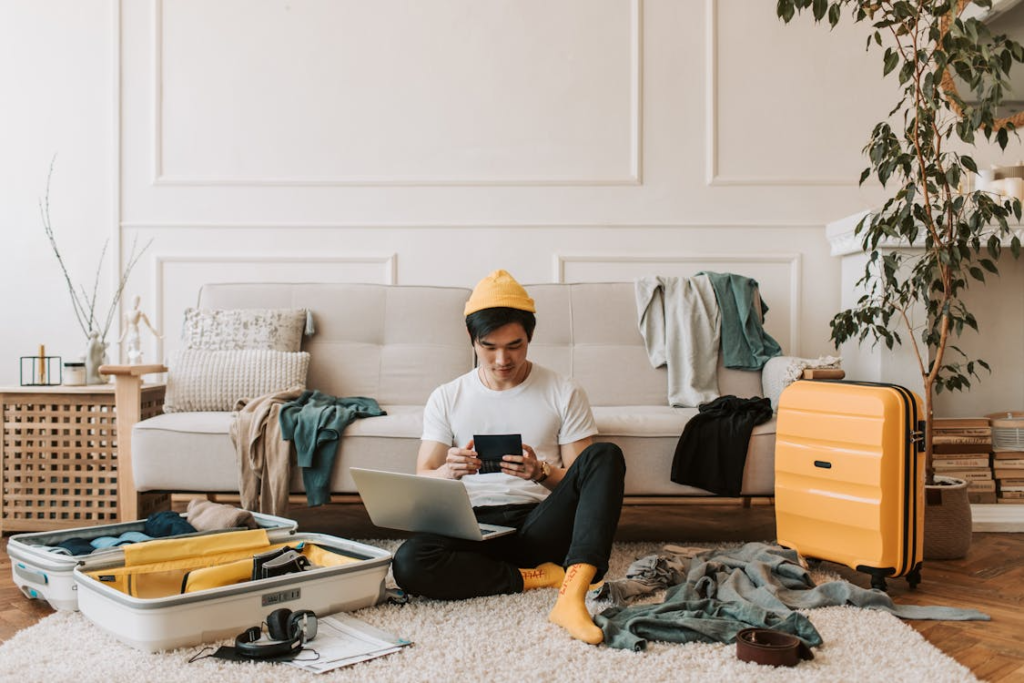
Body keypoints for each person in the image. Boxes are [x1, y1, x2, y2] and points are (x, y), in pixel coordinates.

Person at [391, 270, 626, 645]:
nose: (502, 359)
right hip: (472, 526)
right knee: (408, 563)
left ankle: (572, 594)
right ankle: (539, 576)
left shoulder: (563, 390)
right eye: (489, 347)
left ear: (530, 337)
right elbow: (422, 477)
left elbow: (583, 483)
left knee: (605, 455)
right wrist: (449, 471)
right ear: (472, 340)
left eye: (515, 345)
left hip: (539, 524)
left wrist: (541, 471)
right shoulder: (447, 396)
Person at [119, 295, 162, 364]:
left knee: (136, 354)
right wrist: (121, 339)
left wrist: (158, 336)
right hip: (130, 335)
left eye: (138, 301)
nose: (136, 303)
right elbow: (125, 328)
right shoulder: (127, 313)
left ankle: (136, 368)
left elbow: (149, 326)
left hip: (135, 335)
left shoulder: (140, 313)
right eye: (135, 301)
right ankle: (127, 370)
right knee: (128, 353)